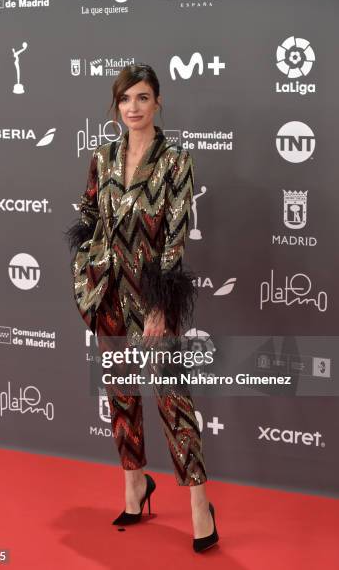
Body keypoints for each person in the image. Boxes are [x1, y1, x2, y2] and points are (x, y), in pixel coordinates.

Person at [65, 63, 219, 553]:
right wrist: (91, 263)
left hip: (151, 292)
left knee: (172, 397)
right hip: (108, 289)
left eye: (143, 97)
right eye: (126, 99)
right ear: (117, 107)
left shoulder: (175, 159)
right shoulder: (103, 156)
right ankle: (135, 485)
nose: (133, 107)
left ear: (158, 104)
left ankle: (200, 504)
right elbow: (89, 213)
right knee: (121, 391)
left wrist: (160, 304)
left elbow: (175, 236)